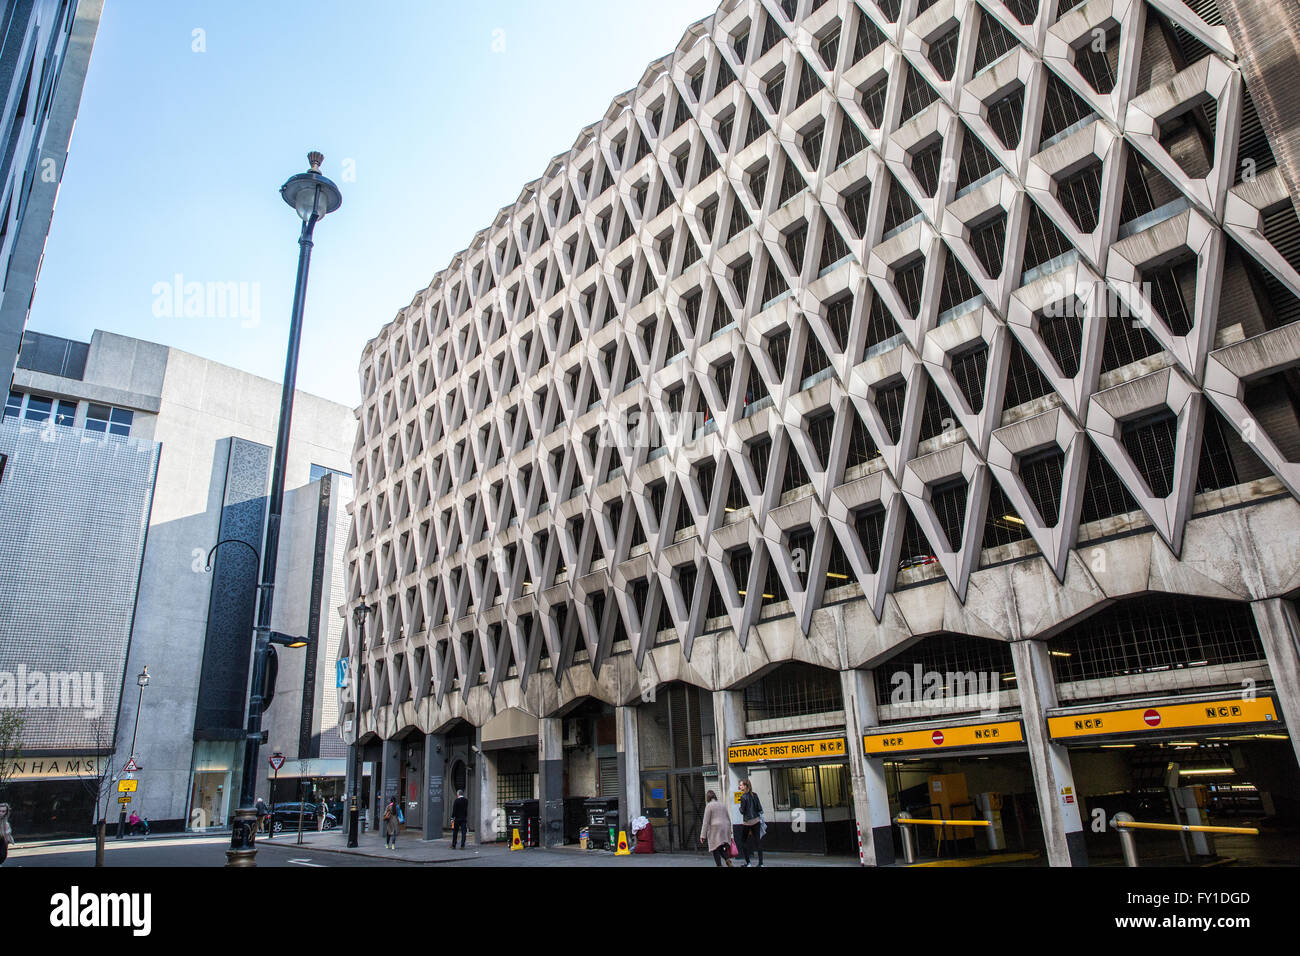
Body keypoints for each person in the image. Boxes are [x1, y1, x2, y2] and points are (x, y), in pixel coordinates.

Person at [699, 790, 733, 867]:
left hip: (715, 828)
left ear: (707, 797)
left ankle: (719, 865)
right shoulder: (722, 804)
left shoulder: (709, 806)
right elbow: (727, 817)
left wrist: (702, 835)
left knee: (715, 848)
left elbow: (705, 821)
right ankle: (728, 861)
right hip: (725, 827)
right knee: (721, 846)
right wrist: (730, 830)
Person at [737, 778, 763, 867]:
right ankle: (761, 863)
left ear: (745, 786)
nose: (739, 786)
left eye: (741, 785)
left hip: (747, 822)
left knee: (743, 841)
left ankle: (748, 863)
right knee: (758, 841)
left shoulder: (743, 797)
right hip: (756, 821)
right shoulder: (755, 795)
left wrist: (739, 808)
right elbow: (759, 808)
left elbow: (742, 811)